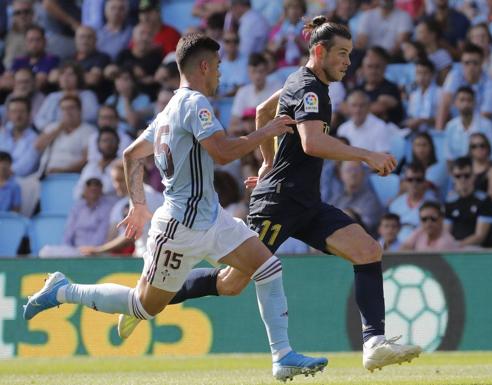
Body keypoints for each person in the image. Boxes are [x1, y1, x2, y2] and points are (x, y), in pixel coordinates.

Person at [120, 17, 421, 372]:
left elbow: (264, 111)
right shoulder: (307, 87)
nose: (347, 62)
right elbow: (311, 143)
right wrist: (365, 154)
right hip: (278, 203)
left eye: (350, 54)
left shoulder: (302, 82)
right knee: (232, 285)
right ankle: (147, 300)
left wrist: (266, 162)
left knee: (368, 250)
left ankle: (373, 342)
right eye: (342, 53)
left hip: (305, 201)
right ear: (320, 51)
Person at [23, 33, 327, 382]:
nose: (220, 75)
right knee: (143, 306)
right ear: (203, 66)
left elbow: (131, 154)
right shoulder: (195, 103)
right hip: (179, 228)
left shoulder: (169, 109)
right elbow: (223, 152)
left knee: (268, 268)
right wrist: (268, 131)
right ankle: (63, 289)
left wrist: (138, 204)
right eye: (217, 67)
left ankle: (282, 356)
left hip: (211, 218)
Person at [39, 177, 118, 257]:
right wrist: (67, 249)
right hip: (75, 251)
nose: (93, 191)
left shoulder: (107, 208)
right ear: (84, 190)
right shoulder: (77, 208)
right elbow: (68, 233)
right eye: (90, 188)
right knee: (46, 251)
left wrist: (91, 250)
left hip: (96, 252)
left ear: (101, 191)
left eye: (95, 189)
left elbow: (102, 235)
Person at [435, 44, 492, 130]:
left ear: (482, 63)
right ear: (461, 63)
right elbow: (445, 104)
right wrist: (439, 132)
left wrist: (466, 133)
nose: (471, 67)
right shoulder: (455, 75)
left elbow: (485, 116)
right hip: (458, 127)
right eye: (467, 63)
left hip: (481, 131)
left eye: (475, 63)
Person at [445, 156, 492, 248]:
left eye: (466, 176)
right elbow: (446, 232)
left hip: (476, 249)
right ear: (453, 178)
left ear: (473, 176)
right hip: (454, 247)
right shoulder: (449, 201)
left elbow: (480, 236)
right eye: (458, 176)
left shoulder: (484, 200)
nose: (462, 180)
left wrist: (458, 245)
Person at [443, 86, 492, 168]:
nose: (465, 104)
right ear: (455, 103)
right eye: (462, 100)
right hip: (459, 174)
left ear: (474, 103)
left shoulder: (487, 125)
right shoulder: (450, 126)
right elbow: (449, 159)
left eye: (469, 100)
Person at [329, 160, 384, 234]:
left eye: (357, 169)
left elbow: (366, 227)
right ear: (340, 174)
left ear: (363, 173)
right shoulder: (336, 198)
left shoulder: (371, 200)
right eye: (349, 170)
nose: (353, 173)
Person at [0, 96, 40, 177]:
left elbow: (25, 169)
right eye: (14, 112)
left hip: (19, 183)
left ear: (29, 114)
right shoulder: (2, 134)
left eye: (21, 111)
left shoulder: (35, 139)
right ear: (8, 114)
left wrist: (4, 172)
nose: (18, 116)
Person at [404, 58, 440, 133]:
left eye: (425, 73)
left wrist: (422, 121)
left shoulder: (440, 93)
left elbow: (447, 118)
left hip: (434, 133)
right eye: (418, 73)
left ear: (433, 74)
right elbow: (411, 116)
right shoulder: (413, 95)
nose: (421, 77)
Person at [468, 133, 492, 198]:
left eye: (482, 145)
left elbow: (491, 193)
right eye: (474, 146)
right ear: (470, 150)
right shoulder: (466, 167)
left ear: (488, 147)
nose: (478, 149)